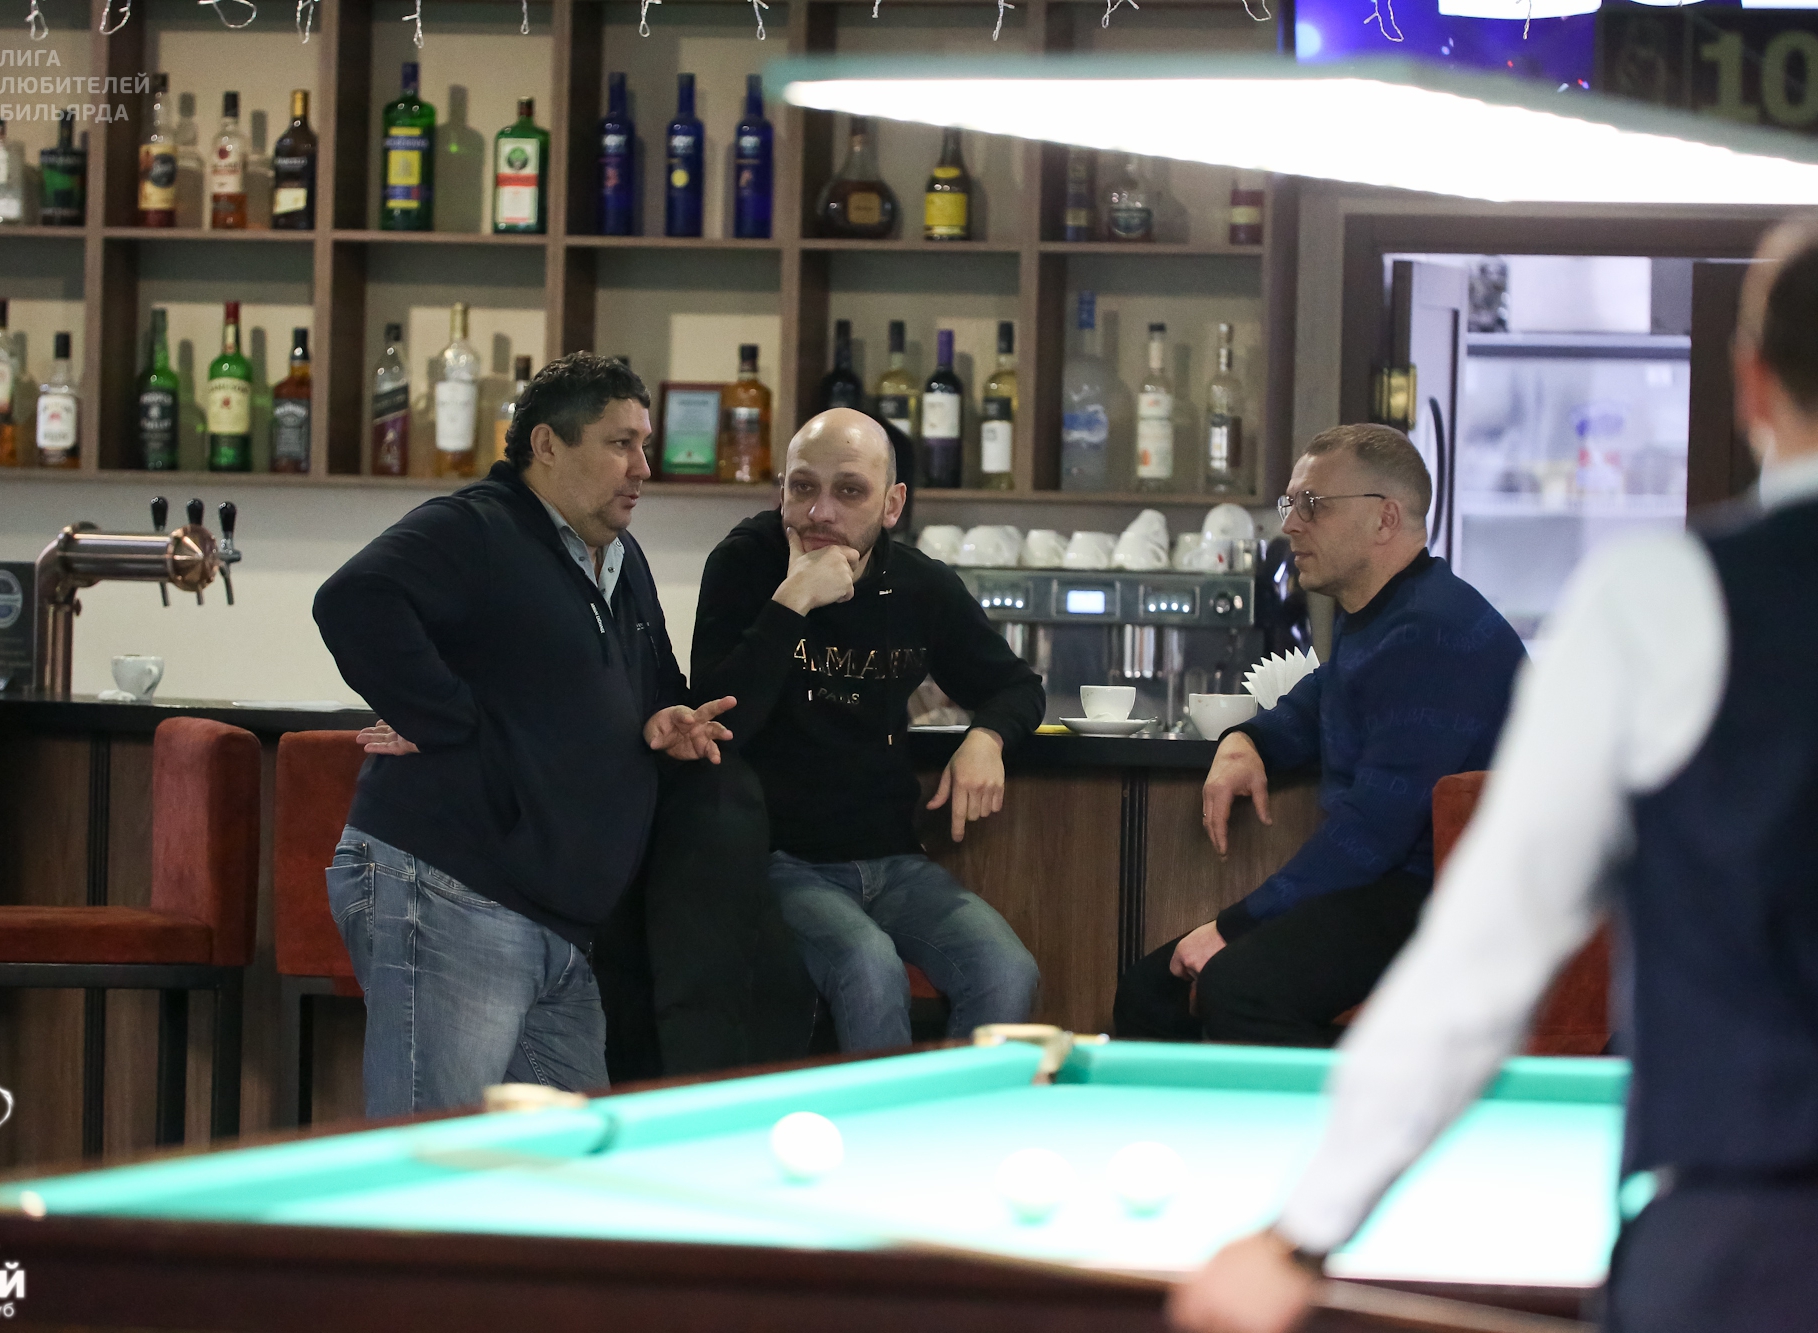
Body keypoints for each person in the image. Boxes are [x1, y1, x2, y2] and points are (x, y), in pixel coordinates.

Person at [1172, 221, 1818, 1333]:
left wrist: (1303, 1230)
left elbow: (1487, 950)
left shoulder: (1661, 598)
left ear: (1750, 383)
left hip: (1749, 1237)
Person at [312, 352, 733, 1115]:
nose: (642, 467)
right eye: (621, 444)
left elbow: (650, 684)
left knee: (568, 1165)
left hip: (557, 920)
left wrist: (664, 718)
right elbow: (354, 600)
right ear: (547, 445)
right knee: (434, 1158)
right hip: (450, 888)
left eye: (644, 444)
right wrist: (447, 718)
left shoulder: (623, 557)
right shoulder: (477, 526)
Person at [1113, 424, 1526, 1046]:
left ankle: (1384, 1105)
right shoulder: (1390, 614)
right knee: (1152, 989)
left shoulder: (1434, 632)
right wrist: (1248, 740)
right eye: (1291, 504)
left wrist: (1233, 926)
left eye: (1312, 504)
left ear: (1385, 518)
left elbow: (1373, 832)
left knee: (1235, 989)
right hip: (1397, 888)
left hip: (1448, 900)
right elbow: (1324, 695)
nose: (1290, 525)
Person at [688, 408, 1045, 1052]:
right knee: (869, 968)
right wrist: (794, 600)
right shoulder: (745, 564)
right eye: (802, 487)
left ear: (892, 504)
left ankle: (964, 1115)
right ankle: (880, 1122)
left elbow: (1018, 686)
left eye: (849, 491)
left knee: (1007, 971)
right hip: (778, 859)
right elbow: (718, 724)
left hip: (894, 859)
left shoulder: (920, 586)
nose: (819, 512)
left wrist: (987, 737)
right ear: (780, 490)